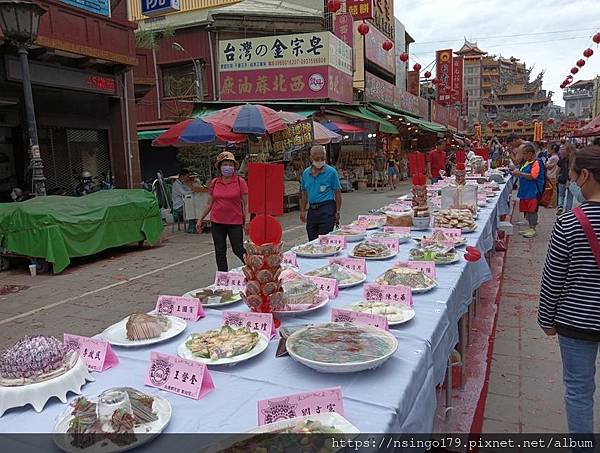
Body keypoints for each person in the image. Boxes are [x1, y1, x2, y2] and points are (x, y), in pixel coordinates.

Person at [538, 146, 600, 450]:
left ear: (585, 176)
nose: (571, 180)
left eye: (573, 174)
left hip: (577, 321)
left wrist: (546, 320)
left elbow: (553, 280)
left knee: (578, 390)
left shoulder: (570, 223)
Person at [196, 152, 248, 272]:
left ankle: (253, 267)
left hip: (235, 221)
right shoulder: (215, 183)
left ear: (234, 167)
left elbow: (246, 203)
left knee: (238, 249)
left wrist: (248, 220)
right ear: (220, 167)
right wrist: (200, 219)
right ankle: (223, 277)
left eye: (230, 164)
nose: (228, 167)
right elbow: (209, 203)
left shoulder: (240, 182)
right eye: (225, 164)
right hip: (217, 222)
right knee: (220, 251)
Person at [300, 145, 342, 241]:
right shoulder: (306, 173)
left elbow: (337, 192)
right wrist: (302, 210)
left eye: (322, 158)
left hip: (327, 209)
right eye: (317, 158)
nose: (320, 161)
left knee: (323, 240)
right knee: (312, 240)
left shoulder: (331, 172)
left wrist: (338, 211)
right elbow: (304, 193)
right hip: (312, 210)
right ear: (311, 158)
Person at [512, 142, 543, 238]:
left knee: (532, 210)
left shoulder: (536, 162)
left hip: (533, 191)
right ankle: (530, 227)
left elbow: (533, 176)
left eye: (524, 153)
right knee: (528, 210)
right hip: (525, 190)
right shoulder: (526, 162)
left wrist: (519, 174)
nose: (523, 156)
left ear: (530, 153)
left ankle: (533, 228)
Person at [172, 169, 199, 233]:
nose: (188, 178)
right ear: (182, 176)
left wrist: (190, 186)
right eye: (187, 176)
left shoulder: (183, 183)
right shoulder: (176, 184)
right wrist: (193, 191)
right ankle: (191, 229)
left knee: (194, 206)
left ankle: (195, 226)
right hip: (179, 206)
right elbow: (184, 193)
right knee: (191, 209)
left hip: (184, 202)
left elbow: (189, 189)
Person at [559, 144, 576, 214]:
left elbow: (558, 169)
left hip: (562, 179)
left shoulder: (563, 160)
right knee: (570, 197)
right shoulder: (575, 160)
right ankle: (568, 211)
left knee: (561, 195)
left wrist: (557, 176)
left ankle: (560, 206)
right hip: (572, 180)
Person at [545, 144, 560, 209]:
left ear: (553, 149)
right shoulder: (553, 157)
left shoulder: (554, 157)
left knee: (553, 190)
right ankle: (550, 202)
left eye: (549, 148)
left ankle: (552, 203)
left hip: (552, 175)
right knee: (551, 190)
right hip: (550, 175)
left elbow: (549, 166)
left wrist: (546, 164)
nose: (548, 150)